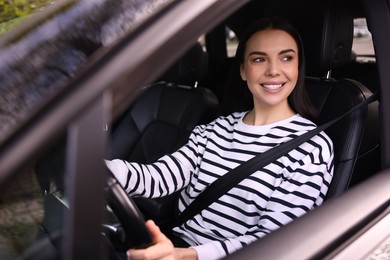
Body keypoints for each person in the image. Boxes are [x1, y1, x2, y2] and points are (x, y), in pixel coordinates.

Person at [105, 16, 334, 260]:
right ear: (244, 70)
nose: (273, 70)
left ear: (298, 68)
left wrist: (187, 255)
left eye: (286, 58)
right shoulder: (217, 127)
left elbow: (273, 241)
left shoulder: (312, 147)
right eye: (259, 59)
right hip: (174, 246)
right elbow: (160, 177)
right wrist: (100, 170)